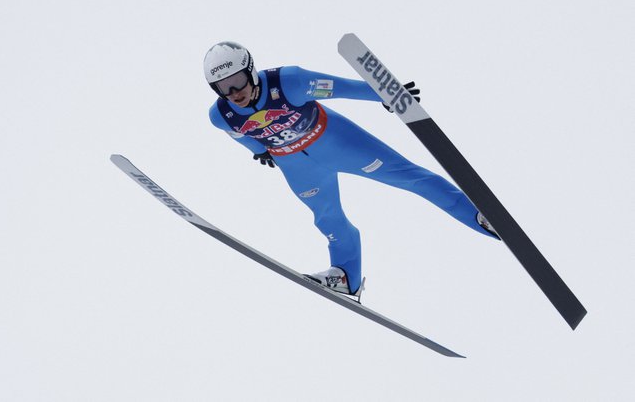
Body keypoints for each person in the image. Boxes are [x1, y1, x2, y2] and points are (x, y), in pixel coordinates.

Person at [204, 41, 498, 298]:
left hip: (338, 143)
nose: (234, 92)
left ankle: (478, 215)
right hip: (297, 167)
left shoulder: (288, 81)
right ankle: (345, 277)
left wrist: (385, 94)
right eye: (223, 87)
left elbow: (338, 88)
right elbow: (242, 136)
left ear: (251, 70)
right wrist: (261, 152)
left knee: (411, 177)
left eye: (238, 80)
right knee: (328, 219)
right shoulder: (221, 115)